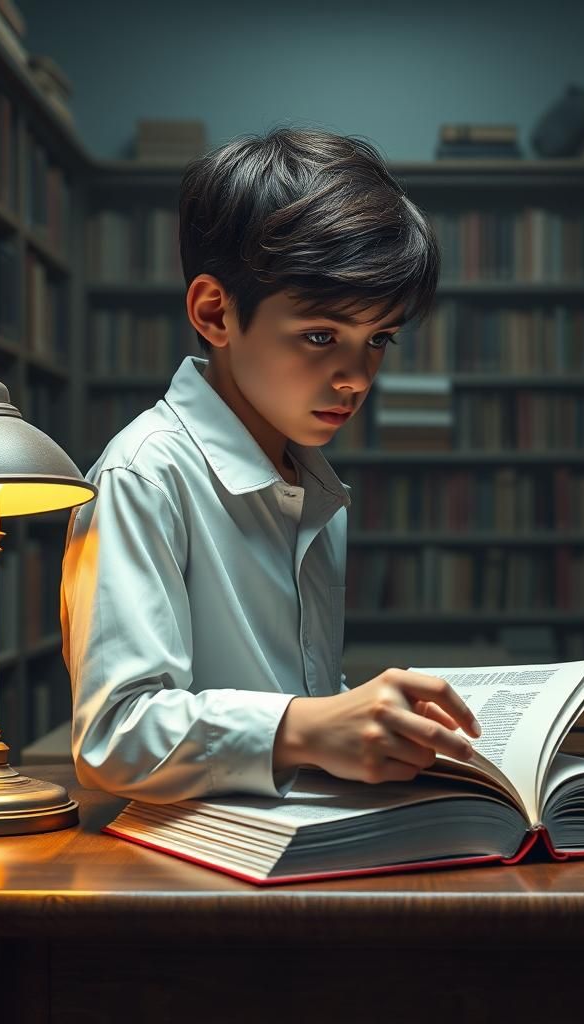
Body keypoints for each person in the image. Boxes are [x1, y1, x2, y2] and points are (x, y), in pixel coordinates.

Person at [60, 124, 482, 804]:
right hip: (188, 875)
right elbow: (114, 733)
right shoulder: (144, 475)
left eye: (378, 339)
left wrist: (383, 728)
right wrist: (313, 725)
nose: (356, 378)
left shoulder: (306, 475)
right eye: (321, 336)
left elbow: (300, 700)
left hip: (295, 843)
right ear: (214, 312)